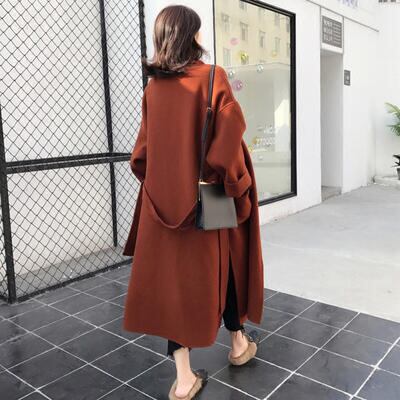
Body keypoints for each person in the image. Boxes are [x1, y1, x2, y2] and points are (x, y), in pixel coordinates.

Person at [122, 5, 264, 400]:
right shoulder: (213, 77)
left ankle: (184, 379)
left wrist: (165, 183)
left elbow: (140, 157)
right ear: (192, 36)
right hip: (209, 193)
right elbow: (228, 142)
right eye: (199, 31)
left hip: (162, 202)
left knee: (174, 281)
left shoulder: (153, 89)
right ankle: (238, 344)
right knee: (225, 263)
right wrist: (237, 187)